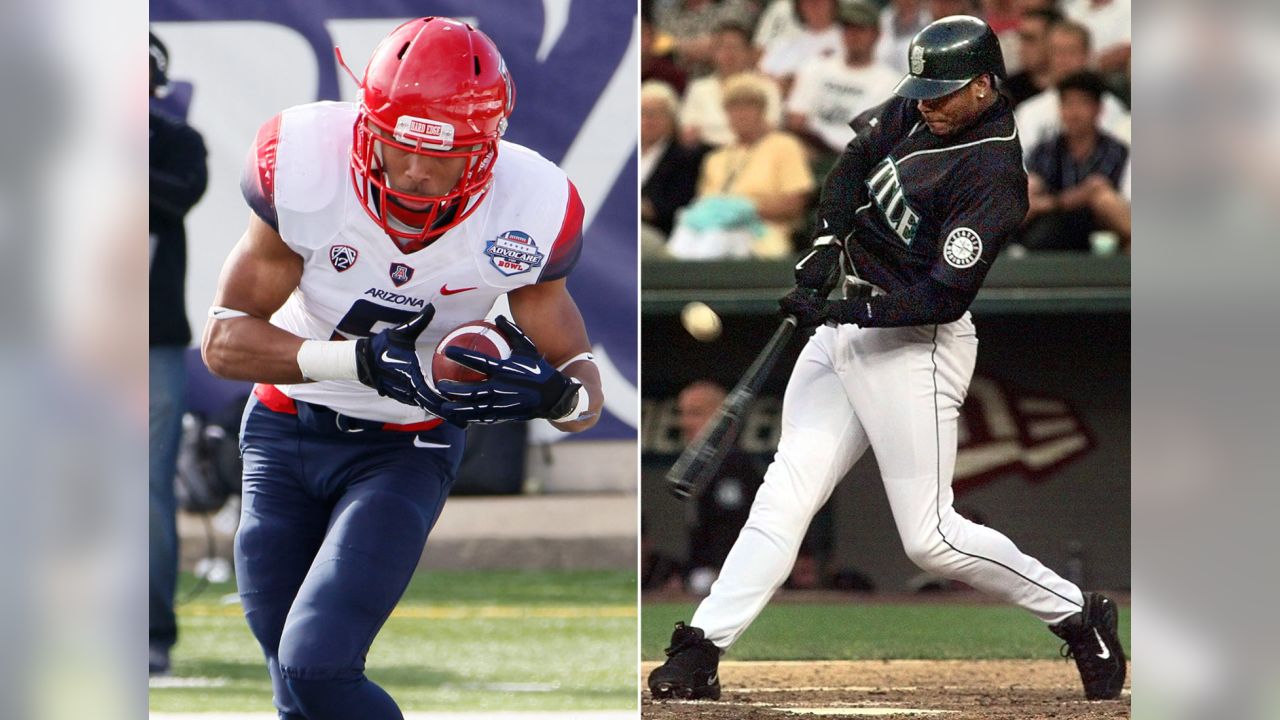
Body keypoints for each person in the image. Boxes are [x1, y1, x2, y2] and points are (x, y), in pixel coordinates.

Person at [647, 16, 1126, 703]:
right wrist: (824, 244)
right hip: (848, 322)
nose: (926, 102)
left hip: (914, 344)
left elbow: (938, 296)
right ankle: (702, 647)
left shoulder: (994, 175)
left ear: (987, 86)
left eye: (944, 92)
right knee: (786, 496)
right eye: (922, 88)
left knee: (929, 537)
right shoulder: (921, 104)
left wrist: (837, 310)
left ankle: (1080, 614)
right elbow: (849, 169)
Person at [200, 18, 603, 719]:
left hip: (404, 447)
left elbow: (577, 374)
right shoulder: (304, 161)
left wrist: (562, 397)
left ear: (484, 153)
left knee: (317, 665)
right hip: (283, 433)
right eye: (398, 147)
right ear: (366, 127)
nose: (415, 173)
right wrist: (353, 359)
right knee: (293, 686)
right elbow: (225, 342)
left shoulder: (527, 206)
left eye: (442, 157)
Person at [149, 29, 209, 676]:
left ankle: (150, 631)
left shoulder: (177, 142)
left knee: (145, 489)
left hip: (148, 338)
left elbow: (176, 196)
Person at [686, 73, 815, 258]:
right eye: (733, 107)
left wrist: (748, 209)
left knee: (715, 239)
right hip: (711, 230)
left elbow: (795, 204)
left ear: (762, 110)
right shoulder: (715, 158)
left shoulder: (784, 145)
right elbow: (704, 204)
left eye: (748, 106)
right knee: (686, 236)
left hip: (764, 234)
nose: (741, 114)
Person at [1022, 70, 1130, 251]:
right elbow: (1030, 197)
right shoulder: (1046, 150)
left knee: (1104, 201)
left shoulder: (1116, 151)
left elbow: (1105, 196)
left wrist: (1087, 195)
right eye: (1067, 104)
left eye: (1082, 104)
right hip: (1053, 226)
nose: (1074, 113)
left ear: (1098, 109)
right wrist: (1076, 197)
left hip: (1102, 228)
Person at [676, 381, 764, 593]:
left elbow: (732, 528)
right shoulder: (698, 465)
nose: (685, 423)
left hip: (732, 577)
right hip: (702, 573)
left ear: (722, 418)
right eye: (683, 413)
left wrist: (725, 574)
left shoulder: (735, 465)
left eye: (695, 414)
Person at [785, 2, 900, 155]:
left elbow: (875, 138)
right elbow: (796, 119)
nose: (853, 36)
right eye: (848, 29)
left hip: (852, 160)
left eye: (860, 30)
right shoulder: (816, 67)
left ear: (876, 34)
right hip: (809, 149)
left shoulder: (890, 82)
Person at [1015, 18, 1130, 152]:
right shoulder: (1029, 112)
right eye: (1058, 52)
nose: (1064, 61)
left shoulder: (1110, 108)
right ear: (1048, 56)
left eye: (1071, 52)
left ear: (1087, 56)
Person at [679, 22, 783, 148]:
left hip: (754, 150)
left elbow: (771, 128)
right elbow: (688, 132)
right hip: (706, 152)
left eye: (735, 47)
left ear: (749, 52)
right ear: (712, 53)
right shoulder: (699, 88)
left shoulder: (766, 87)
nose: (729, 54)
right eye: (722, 47)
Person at [642, 81, 706, 238]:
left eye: (656, 114)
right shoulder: (625, 158)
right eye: (643, 113)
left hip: (659, 232)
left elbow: (680, 205)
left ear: (671, 119)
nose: (648, 120)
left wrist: (645, 209)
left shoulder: (685, 158)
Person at [759, 0, 844, 96]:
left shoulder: (847, 41)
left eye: (821, 1)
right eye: (806, 2)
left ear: (833, 4)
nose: (813, 5)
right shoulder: (785, 44)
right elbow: (762, 76)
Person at [1000, 7, 1064, 107]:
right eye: (1021, 39)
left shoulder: (1073, 88)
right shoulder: (1009, 90)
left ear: (1054, 41)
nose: (1021, 47)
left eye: (1030, 39)